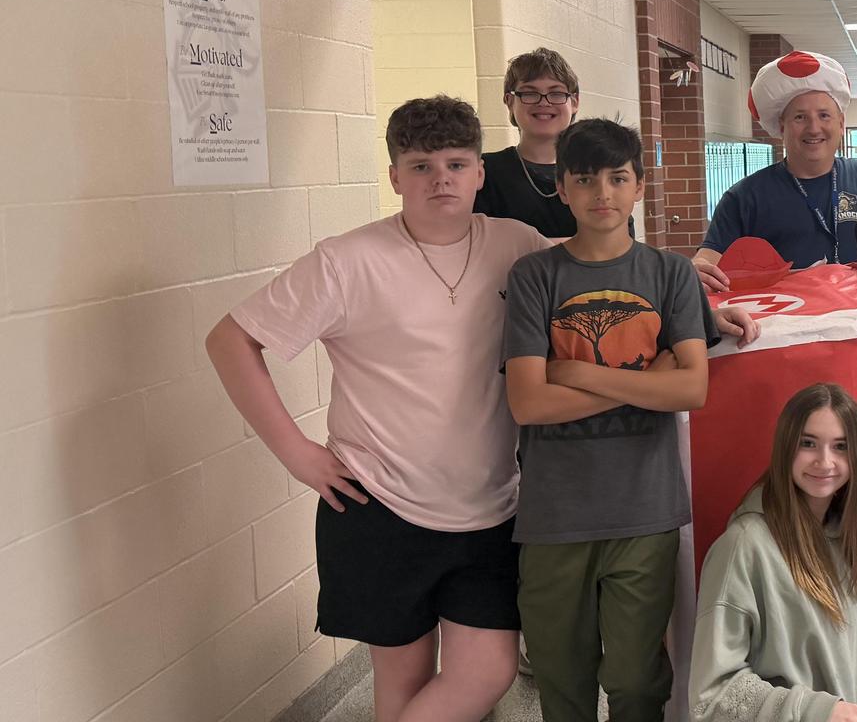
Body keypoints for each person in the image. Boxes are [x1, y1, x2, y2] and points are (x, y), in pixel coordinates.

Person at [203, 95, 549, 722]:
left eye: (455, 162)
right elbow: (231, 341)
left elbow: (600, 273)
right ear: (394, 176)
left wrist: (691, 292)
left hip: (492, 506)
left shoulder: (516, 243)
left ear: (479, 173)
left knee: (488, 672)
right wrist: (297, 454)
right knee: (402, 685)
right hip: (379, 505)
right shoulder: (346, 260)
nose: (439, 178)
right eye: (420, 165)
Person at [502, 117, 727, 722]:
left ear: (639, 187)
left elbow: (693, 388)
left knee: (635, 679)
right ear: (562, 188)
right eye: (585, 179)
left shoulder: (670, 274)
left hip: (644, 512)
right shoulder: (535, 276)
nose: (603, 193)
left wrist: (576, 373)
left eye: (617, 178)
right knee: (562, 680)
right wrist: (643, 383)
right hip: (554, 517)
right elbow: (528, 403)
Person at [689, 383, 857, 722]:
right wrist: (821, 712)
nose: (824, 461)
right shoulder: (742, 547)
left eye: (841, 446)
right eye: (808, 443)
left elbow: (841, 671)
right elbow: (712, 697)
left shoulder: (846, 540)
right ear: (786, 446)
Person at [696, 51, 857, 292]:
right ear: (781, 126)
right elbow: (707, 265)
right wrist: (696, 272)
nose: (814, 128)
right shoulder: (745, 197)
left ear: (841, 123)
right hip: (784, 322)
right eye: (800, 117)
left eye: (824, 115)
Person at [475, 47, 580, 238]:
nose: (544, 102)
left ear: (574, 102)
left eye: (556, 93)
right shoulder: (484, 173)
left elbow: (619, 246)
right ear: (509, 101)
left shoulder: (596, 170)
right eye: (530, 93)